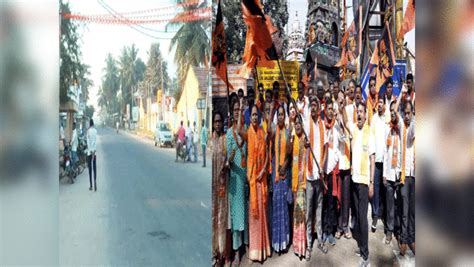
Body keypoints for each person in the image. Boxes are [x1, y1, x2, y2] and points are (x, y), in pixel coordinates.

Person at [341, 101, 375, 267]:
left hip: (363, 183)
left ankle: (366, 256)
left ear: (366, 114)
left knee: (362, 218)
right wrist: (341, 106)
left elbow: (372, 159)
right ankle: (361, 247)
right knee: (358, 218)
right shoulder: (354, 128)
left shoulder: (370, 133)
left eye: (362, 112)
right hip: (354, 180)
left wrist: (371, 183)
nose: (360, 114)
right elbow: (345, 121)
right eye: (358, 112)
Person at [237, 104, 270, 262]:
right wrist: (241, 111)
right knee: (253, 214)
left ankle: (263, 250)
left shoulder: (262, 132)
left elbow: (267, 152)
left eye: (257, 115)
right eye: (253, 115)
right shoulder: (248, 133)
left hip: (261, 179)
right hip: (252, 179)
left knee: (262, 213)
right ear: (250, 117)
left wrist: (264, 169)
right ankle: (254, 252)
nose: (255, 118)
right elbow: (237, 130)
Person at [304, 96, 327, 260]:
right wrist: (305, 145)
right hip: (309, 174)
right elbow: (303, 142)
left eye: (315, 105)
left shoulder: (322, 124)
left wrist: (323, 166)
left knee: (319, 209)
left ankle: (319, 240)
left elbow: (325, 148)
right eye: (311, 105)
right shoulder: (306, 123)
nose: (313, 108)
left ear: (318, 108)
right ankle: (308, 244)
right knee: (309, 211)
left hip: (319, 174)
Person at [226, 99, 248, 265]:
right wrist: (230, 159)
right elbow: (227, 161)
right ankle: (236, 251)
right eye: (234, 110)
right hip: (234, 179)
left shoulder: (245, 131)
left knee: (246, 212)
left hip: (246, 177)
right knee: (236, 215)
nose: (236, 112)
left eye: (239, 110)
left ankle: (246, 246)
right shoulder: (228, 134)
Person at [269, 105, 291, 253]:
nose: (281, 117)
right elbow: (269, 131)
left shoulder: (288, 132)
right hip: (275, 173)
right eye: (279, 115)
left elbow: (289, 154)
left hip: (285, 172)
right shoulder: (274, 131)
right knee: (276, 205)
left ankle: (284, 242)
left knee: (284, 207)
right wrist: (271, 111)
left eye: (283, 114)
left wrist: (284, 165)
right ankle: (277, 242)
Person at [321, 99, 341, 248]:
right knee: (323, 204)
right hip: (322, 172)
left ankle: (330, 232)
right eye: (327, 108)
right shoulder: (322, 126)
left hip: (333, 171)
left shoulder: (336, 127)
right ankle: (323, 230)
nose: (329, 111)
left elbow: (344, 140)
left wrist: (340, 121)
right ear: (324, 110)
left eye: (331, 109)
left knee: (332, 204)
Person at [211, 111, 230, 266]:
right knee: (213, 219)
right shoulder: (210, 140)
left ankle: (222, 253)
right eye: (215, 121)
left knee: (221, 219)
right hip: (211, 188)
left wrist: (227, 164)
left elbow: (228, 161)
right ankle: (214, 253)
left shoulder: (225, 141)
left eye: (219, 121)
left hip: (222, 186)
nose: (217, 124)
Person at [383, 100, 401, 246]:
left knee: (399, 205)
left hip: (399, 174)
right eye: (392, 111)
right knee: (389, 205)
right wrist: (384, 174)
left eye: (395, 110)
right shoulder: (387, 129)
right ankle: (389, 231)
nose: (393, 113)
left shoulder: (402, 129)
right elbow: (384, 153)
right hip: (389, 173)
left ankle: (399, 231)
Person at [335, 90, 352, 240]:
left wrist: (343, 121)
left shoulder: (348, 120)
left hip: (346, 164)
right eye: (339, 100)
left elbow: (348, 136)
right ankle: (338, 227)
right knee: (337, 198)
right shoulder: (334, 119)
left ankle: (345, 226)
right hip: (336, 164)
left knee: (345, 198)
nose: (341, 102)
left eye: (343, 100)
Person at [399, 101, 415, 256]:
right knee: (404, 209)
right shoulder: (401, 128)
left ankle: (412, 238)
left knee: (413, 210)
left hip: (415, 174)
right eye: (406, 113)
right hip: (405, 175)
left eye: (410, 113)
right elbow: (410, 135)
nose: (407, 116)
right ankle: (403, 240)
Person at [290, 115, 308, 259]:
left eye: (299, 123)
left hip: (303, 183)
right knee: (296, 215)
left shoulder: (305, 140)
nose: (297, 126)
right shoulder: (293, 139)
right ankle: (297, 245)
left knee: (301, 214)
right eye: (295, 123)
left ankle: (302, 246)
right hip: (294, 183)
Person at [370, 94, 387, 233]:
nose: (380, 104)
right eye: (378, 102)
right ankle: (375, 215)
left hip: (386, 161)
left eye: (382, 102)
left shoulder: (387, 119)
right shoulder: (374, 119)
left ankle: (385, 216)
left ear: (385, 105)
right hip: (375, 161)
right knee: (375, 189)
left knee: (385, 189)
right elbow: (371, 138)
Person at [86, 119, 98, 191]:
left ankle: (91, 185)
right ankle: (95, 182)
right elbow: (96, 141)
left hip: (89, 153)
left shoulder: (88, 131)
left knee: (90, 169)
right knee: (94, 168)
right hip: (94, 152)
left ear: (89, 124)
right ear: (93, 124)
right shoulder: (95, 131)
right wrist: (94, 151)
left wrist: (90, 150)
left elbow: (88, 142)